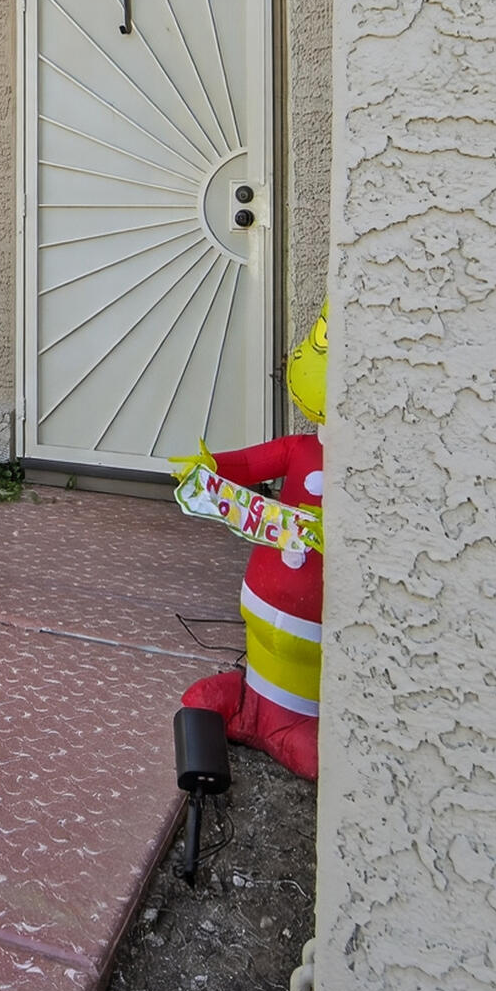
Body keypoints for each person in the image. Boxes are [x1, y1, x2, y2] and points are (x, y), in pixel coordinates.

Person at [170, 301, 329, 780]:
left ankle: (294, 717)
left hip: (314, 620)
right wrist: (209, 468)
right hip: (262, 594)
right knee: (249, 653)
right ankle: (252, 701)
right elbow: (247, 464)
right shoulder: (300, 450)